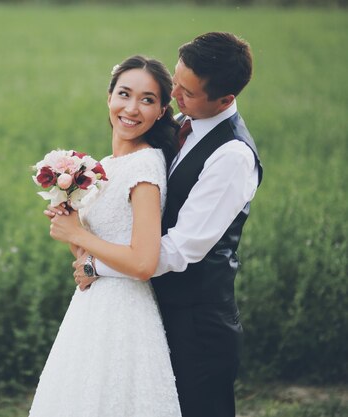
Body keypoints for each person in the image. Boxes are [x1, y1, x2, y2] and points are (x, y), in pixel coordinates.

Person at [70, 32, 263, 417]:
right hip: (149, 309)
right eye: (176, 81)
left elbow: (178, 249)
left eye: (187, 92)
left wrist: (97, 265)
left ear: (225, 100)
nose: (174, 95)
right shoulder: (181, 125)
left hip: (197, 324)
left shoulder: (232, 156)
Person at [29, 55, 182, 417]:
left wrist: (78, 232)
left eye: (147, 100)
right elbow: (89, 251)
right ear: (109, 96)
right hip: (92, 304)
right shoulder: (105, 167)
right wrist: (72, 226)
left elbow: (143, 262)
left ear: (162, 111)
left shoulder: (145, 167)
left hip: (124, 311)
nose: (132, 108)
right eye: (124, 94)